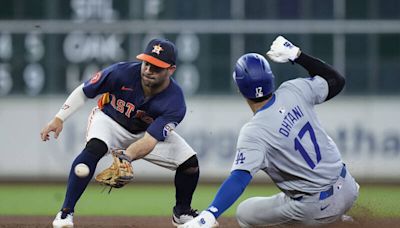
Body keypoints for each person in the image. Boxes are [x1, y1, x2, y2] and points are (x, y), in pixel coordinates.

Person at [179, 36, 359, 228]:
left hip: (316, 208)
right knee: (287, 198)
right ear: (270, 78)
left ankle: (328, 222)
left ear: (239, 88)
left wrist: (211, 213)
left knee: (245, 213)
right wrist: (298, 55)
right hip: (348, 187)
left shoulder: (254, 131)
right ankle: (338, 220)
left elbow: (239, 179)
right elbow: (336, 81)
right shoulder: (294, 89)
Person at [41, 38, 201, 228]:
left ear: (171, 69)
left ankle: (181, 213)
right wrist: (59, 118)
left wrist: (128, 156)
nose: (149, 70)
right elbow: (85, 91)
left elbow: (151, 140)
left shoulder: (175, 102)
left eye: (157, 67)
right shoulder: (121, 72)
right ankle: (65, 213)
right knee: (94, 148)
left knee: (189, 163)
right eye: (147, 63)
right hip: (109, 121)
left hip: (144, 134)